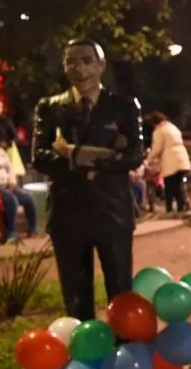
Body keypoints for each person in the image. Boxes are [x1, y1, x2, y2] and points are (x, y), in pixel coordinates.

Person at [32, 38, 145, 321]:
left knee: (120, 293)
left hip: (113, 212)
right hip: (68, 214)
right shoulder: (50, 107)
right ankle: (83, 354)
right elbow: (41, 158)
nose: (79, 68)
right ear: (64, 66)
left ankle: (125, 355)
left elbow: (134, 156)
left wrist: (75, 153)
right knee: (75, 296)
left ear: (101, 66)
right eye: (71, 61)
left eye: (86, 61)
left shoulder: (124, 107)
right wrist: (105, 157)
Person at [144, 112, 191, 214]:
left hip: (171, 161)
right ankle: (181, 207)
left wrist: (148, 160)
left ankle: (170, 209)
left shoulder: (159, 131)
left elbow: (157, 148)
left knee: (169, 186)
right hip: (182, 159)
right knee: (178, 184)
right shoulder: (172, 127)